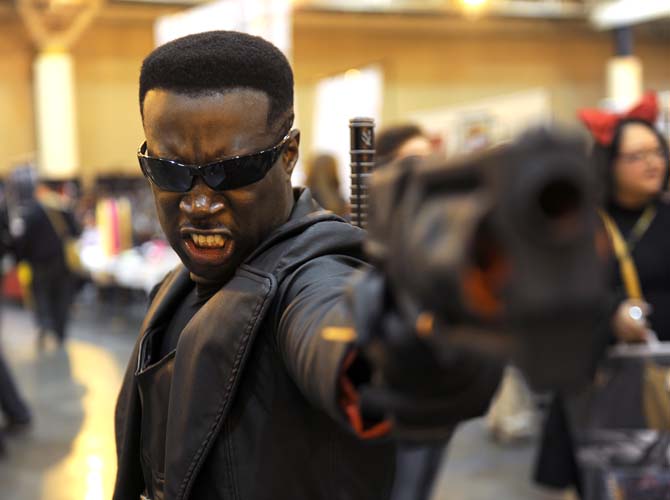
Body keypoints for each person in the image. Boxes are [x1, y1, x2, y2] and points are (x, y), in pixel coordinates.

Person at [114, 31, 502, 500]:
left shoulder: (314, 273)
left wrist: (412, 341)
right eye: (170, 170)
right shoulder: (178, 284)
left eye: (232, 170)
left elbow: (334, 327)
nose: (198, 203)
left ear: (288, 154)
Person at [534, 91, 670, 494]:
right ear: (608, 164)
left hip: (662, 380)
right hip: (599, 384)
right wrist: (612, 314)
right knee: (608, 480)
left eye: (658, 152)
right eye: (637, 155)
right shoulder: (579, 226)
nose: (653, 162)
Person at [11, 180, 81, 347]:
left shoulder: (32, 212)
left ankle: (44, 324)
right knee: (61, 296)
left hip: (39, 263)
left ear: (41, 189)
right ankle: (60, 331)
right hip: (62, 263)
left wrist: (20, 258)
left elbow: (24, 239)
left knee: (41, 294)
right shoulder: (64, 208)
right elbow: (76, 232)